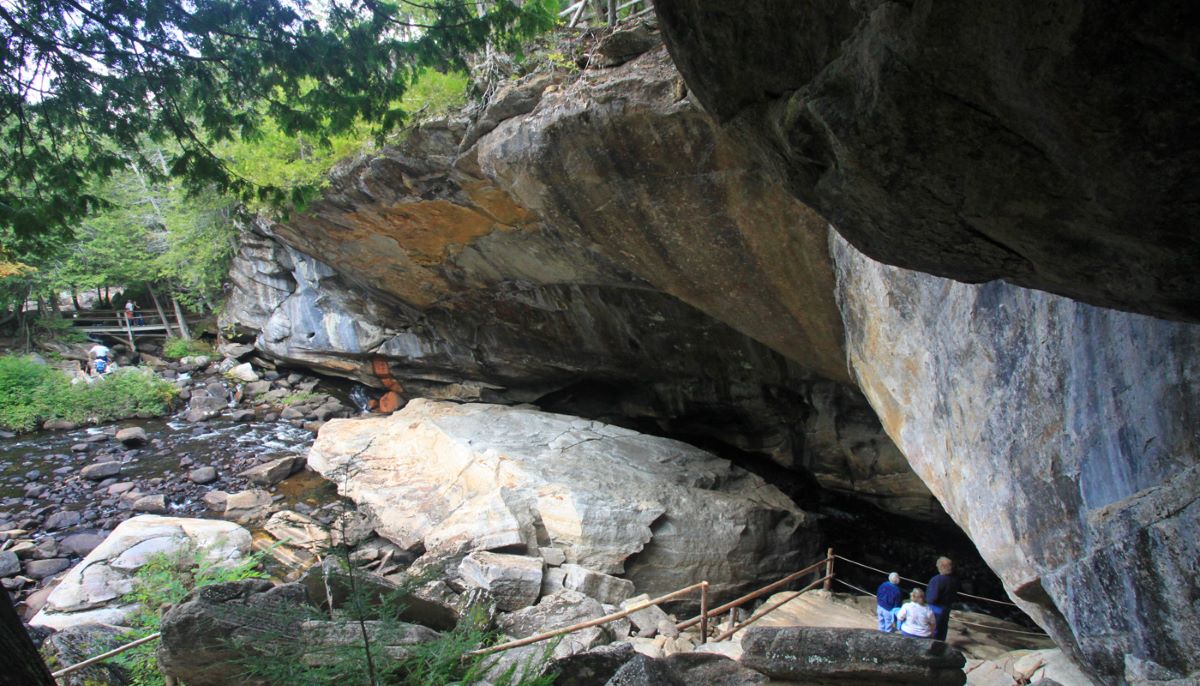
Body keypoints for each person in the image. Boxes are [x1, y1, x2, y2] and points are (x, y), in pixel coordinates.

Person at [927, 556, 961, 642]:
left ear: (941, 567)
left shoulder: (936, 580)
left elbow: (932, 598)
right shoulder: (955, 580)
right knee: (943, 628)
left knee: (933, 629)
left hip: (936, 609)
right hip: (947, 607)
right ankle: (941, 646)